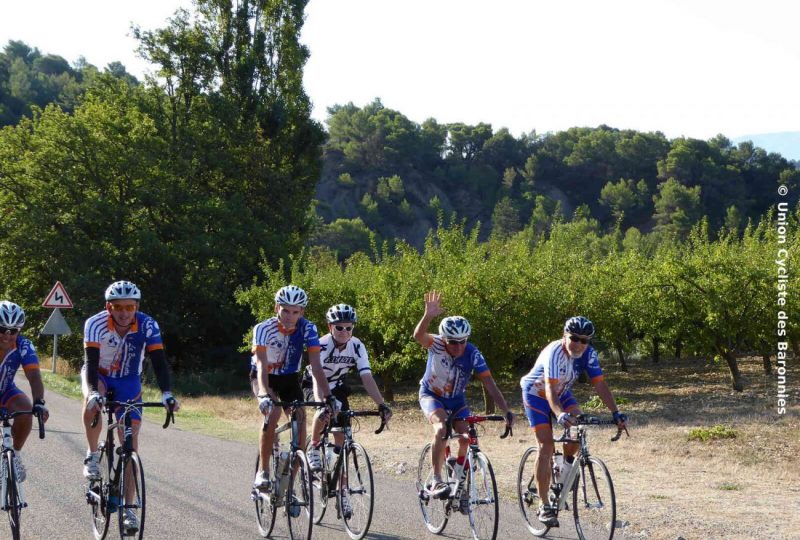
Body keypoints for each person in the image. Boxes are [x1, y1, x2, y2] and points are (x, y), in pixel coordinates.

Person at [81, 280, 179, 535]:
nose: (124, 312)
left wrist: (167, 393)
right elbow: (90, 363)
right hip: (99, 375)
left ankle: (129, 508)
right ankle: (92, 456)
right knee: (93, 401)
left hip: (128, 381)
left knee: (131, 443)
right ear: (108, 307)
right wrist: (93, 391)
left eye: (129, 307)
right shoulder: (95, 324)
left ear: (136, 307)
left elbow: (159, 362)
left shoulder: (148, 325)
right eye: (117, 307)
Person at [520, 316, 627, 526]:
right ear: (564, 336)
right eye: (574, 338)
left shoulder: (588, 354)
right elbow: (549, 389)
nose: (578, 344)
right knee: (546, 446)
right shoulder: (554, 352)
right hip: (536, 392)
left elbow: (600, 385)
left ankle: (564, 468)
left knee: (579, 428)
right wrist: (559, 414)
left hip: (561, 392)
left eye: (584, 340)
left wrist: (616, 413)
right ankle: (544, 506)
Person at [413, 290, 514, 501]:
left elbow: (489, 382)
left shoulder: (473, 354)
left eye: (463, 341)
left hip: (457, 399)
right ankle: (437, 479)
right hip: (432, 394)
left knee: (467, 437)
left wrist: (505, 410)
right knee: (441, 428)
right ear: (445, 339)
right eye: (453, 342)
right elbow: (418, 336)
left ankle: (458, 474)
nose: (458, 346)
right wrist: (428, 315)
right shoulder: (437, 344)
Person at [302, 303, 392, 517]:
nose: (344, 332)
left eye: (349, 328)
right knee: (324, 413)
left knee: (341, 443)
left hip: (338, 387)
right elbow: (317, 375)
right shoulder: (321, 344)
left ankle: (342, 492)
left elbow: (366, 377)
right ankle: (314, 446)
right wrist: (322, 402)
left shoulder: (357, 346)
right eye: (339, 327)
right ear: (330, 327)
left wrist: (381, 403)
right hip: (314, 383)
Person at [251, 285, 334, 492]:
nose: (290, 316)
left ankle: (290, 485)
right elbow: (261, 363)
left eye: (295, 311)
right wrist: (263, 394)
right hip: (265, 377)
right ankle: (264, 472)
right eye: (285, 310)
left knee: (300, 419)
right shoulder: (262, 328)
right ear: (276, 308)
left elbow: (316, 365)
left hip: (289, 378)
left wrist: (328, 396)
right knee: (273, 412)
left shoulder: (308, 328)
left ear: (302, 312)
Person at [0, 301, 49, 483]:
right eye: (2, 329)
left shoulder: (24, 346)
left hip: (5, 390)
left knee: (26, 409)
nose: (7, 335)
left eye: (13, 331)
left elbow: (34, 376)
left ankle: (15, 456)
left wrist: (39, 403)